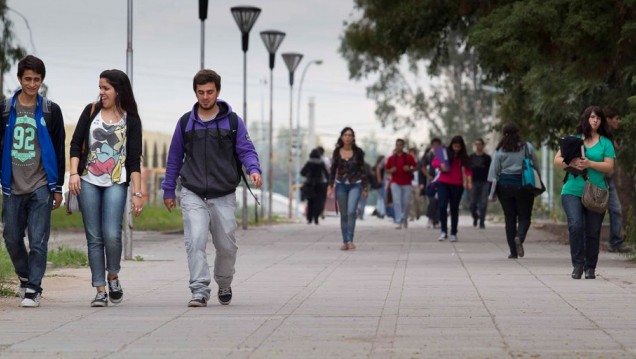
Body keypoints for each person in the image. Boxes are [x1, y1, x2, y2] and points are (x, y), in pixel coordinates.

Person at [162, 69, 262, 307]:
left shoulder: (233, 122)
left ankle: (224, 281)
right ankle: (199, 290)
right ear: (195, 93)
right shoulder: (186, 122)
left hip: (224, 193)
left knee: (226, 245)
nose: (205, 97)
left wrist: (253, 169)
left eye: (209, 92)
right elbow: (174, 157)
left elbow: (246, 150)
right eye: (200, 92)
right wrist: (168, 190)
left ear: (218, 91)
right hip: (192, 191)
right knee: (195, 240)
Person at [69, 69, 143, 307]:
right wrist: (73, 174)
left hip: (116, 182)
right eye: (100, 88)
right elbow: (75, 143)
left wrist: (138, 194)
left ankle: (113, 275)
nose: (101, 93)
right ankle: (100, 289)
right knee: (94, 237)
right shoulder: (91, 112)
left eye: (106, 88)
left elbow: (134, 159)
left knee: (111, 234)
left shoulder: (131, 119)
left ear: (118, 90)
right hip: (88, 180)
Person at [0, 55, 65, 308]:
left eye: (37, 80)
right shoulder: (5, 109)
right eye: (27, 79)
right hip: (13, 185)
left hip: (40, 185)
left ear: (42, 81)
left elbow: (58, 148)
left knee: (38, 240)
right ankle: (26, 275)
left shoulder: (51, 110)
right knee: (11, 237)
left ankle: (33, 289)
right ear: (19, 79)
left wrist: (57, 187)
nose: (32, 84)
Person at [554, 106, 615, 280]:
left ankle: (590, 267)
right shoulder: (574, 139)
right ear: (586, 119)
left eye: (598, 118)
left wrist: (590, 164)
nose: (595, 120)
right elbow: (557, 160)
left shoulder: (606, 142)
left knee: (593, 231)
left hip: (596, 192)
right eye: (592, 117)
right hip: (572, 190)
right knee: (576, 225)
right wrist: (572, 163)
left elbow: (610, 167)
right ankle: (577, 265)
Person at [487, 125, 537, 259]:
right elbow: (535, 166)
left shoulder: (500, 150)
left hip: (504, 186)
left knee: (509, 218)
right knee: (525, 217)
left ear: (504, 134)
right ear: (518, 133)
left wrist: (491, 191)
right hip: (524, 186)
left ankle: (513, 252)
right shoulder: (527, 147)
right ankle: (519, 237)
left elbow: (494, 172)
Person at [327, 127, 368, 250]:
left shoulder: (358, 152)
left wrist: (365, 187)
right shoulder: (336, 152)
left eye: (350, 135)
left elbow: (363, 170)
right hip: (340, 185)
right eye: (345, 135)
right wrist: (330, 186)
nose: (347, 137)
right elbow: (333, 170)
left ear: (353, 138)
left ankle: (350, 239)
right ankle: (345, 241)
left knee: (351, 212)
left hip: (356, 184)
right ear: (341, 137)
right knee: (343, 214)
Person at [433, 136, 472, 242]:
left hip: (457, 185)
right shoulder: (444, 152)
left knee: (454, 208)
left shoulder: (464, 157)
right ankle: (443, 231)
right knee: (442, 206)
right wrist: (441, 165)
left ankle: (453, 232)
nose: (456, 149)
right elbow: (434, 162)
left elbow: (468, 170)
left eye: (458, 147)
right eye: (455, 146)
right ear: (452, 145)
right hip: (443, 183)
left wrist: (469, 181)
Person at [603, 107, 631, 253]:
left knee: (616, 209)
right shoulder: (600, 136)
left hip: (609, 178)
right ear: (608, 119)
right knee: (593, 211)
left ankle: (615, 242)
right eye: (616, 118)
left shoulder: (609, 136)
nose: (618, 121)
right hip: (598, 178)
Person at [385, 139, 417, 229]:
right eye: (397, 145)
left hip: (407, 183)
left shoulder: (409, 157)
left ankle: (405, 219)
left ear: (403, 146)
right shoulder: (391, 158)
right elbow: (386, 169)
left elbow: (416, 167)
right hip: (395, 182)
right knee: (397, 201)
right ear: (395, 146)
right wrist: (391, 171)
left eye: (400, 145)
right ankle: (398, 221)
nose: (398, 146)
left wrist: (409, 169)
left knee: (406, 203)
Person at [300, 148, 329, 225]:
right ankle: (316, 218)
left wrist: (308, 175)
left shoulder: (309, 162)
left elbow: (302, 172)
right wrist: (328, 182)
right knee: (318, 202)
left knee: (310, 202)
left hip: (310, 184)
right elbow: (326, 174)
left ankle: (309, 218)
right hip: (319, 184)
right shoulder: (321, 162)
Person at [469, 138, 492, 229]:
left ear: (483, 145)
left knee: (483, 203)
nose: (478, 146)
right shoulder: (471, 157)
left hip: (484, 182)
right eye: (476, 144)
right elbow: (468, 170)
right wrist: (468, 181)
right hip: (473, 182)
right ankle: (475, 217)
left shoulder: (487, 158)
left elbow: (491, 170)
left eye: (480, 144)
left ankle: (482, 222)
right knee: (472, 203)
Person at [422, 138, 442, 229]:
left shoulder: (443, 155)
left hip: (441, 180)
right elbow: (422, 167)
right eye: (434, 144)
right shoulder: (429, 155)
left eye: (437, 144)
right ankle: (430, 218)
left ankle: (437, 221)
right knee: (432, 200)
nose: (436, 146)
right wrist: (428, 176)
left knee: (439, 201)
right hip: (432, 181)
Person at [407, 147, 422, 222]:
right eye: (410, 153)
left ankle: (418, 213)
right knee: (411, 201)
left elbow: (422, 173)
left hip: (417, 184)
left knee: (417, 200)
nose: (411, 154)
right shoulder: (406, 162)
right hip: (409, 184)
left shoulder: (419, 163)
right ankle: (412, 215)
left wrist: (422, 183)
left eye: (412, 153)